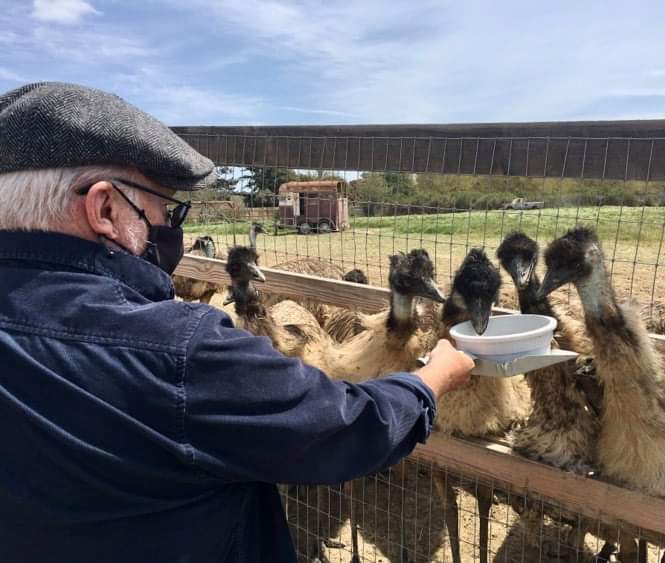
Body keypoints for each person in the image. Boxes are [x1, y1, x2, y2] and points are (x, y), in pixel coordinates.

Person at [0, 82, 474, 563]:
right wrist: (432, 378)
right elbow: (347, 428)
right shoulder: (176, 351)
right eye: (166, 209)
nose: (170, 227)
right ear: (104, 208)